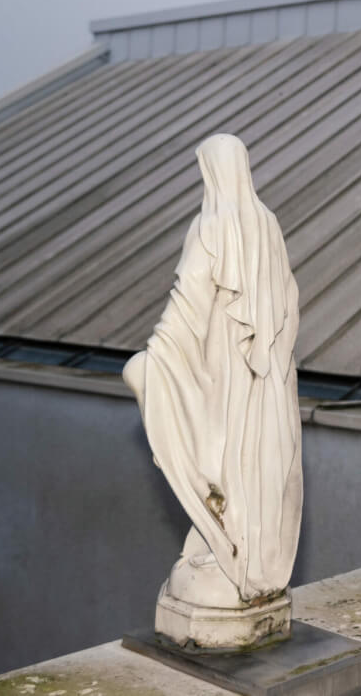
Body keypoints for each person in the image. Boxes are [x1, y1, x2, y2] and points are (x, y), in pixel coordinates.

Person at [124, 133, 303, 613]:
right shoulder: (268, 224)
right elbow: (289, 301)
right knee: (260, 466)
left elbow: (188, 300)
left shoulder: (209, 226)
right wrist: (272, 358)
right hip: (269, 377)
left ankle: (233, 563)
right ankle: (252, 564)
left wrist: (154, 357)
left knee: (224, 461)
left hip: (225, 376)